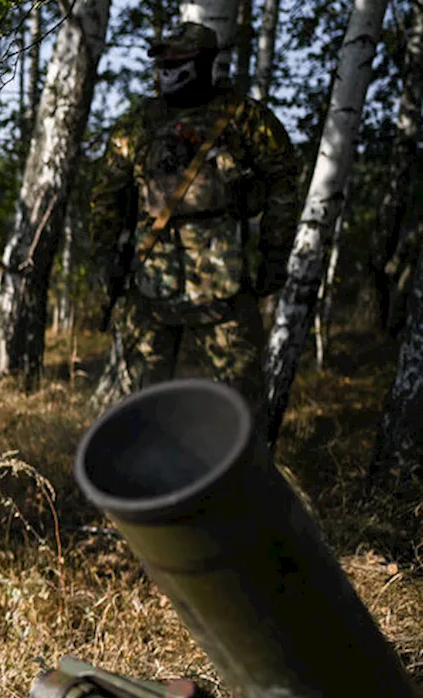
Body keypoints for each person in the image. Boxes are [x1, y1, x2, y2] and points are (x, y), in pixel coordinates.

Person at [90, 21, 298, 413]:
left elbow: (283, 185)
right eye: (163, 60)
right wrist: (106, 260)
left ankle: (239, 472)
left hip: (224, 281)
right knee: (142, 402)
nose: (167, 68)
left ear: (204, 62)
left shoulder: (244, 118)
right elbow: (106, 196)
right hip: (150, 280)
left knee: (239, 400)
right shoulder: (138, 124)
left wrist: (275, 255)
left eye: (178, 59)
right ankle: (145, 472)